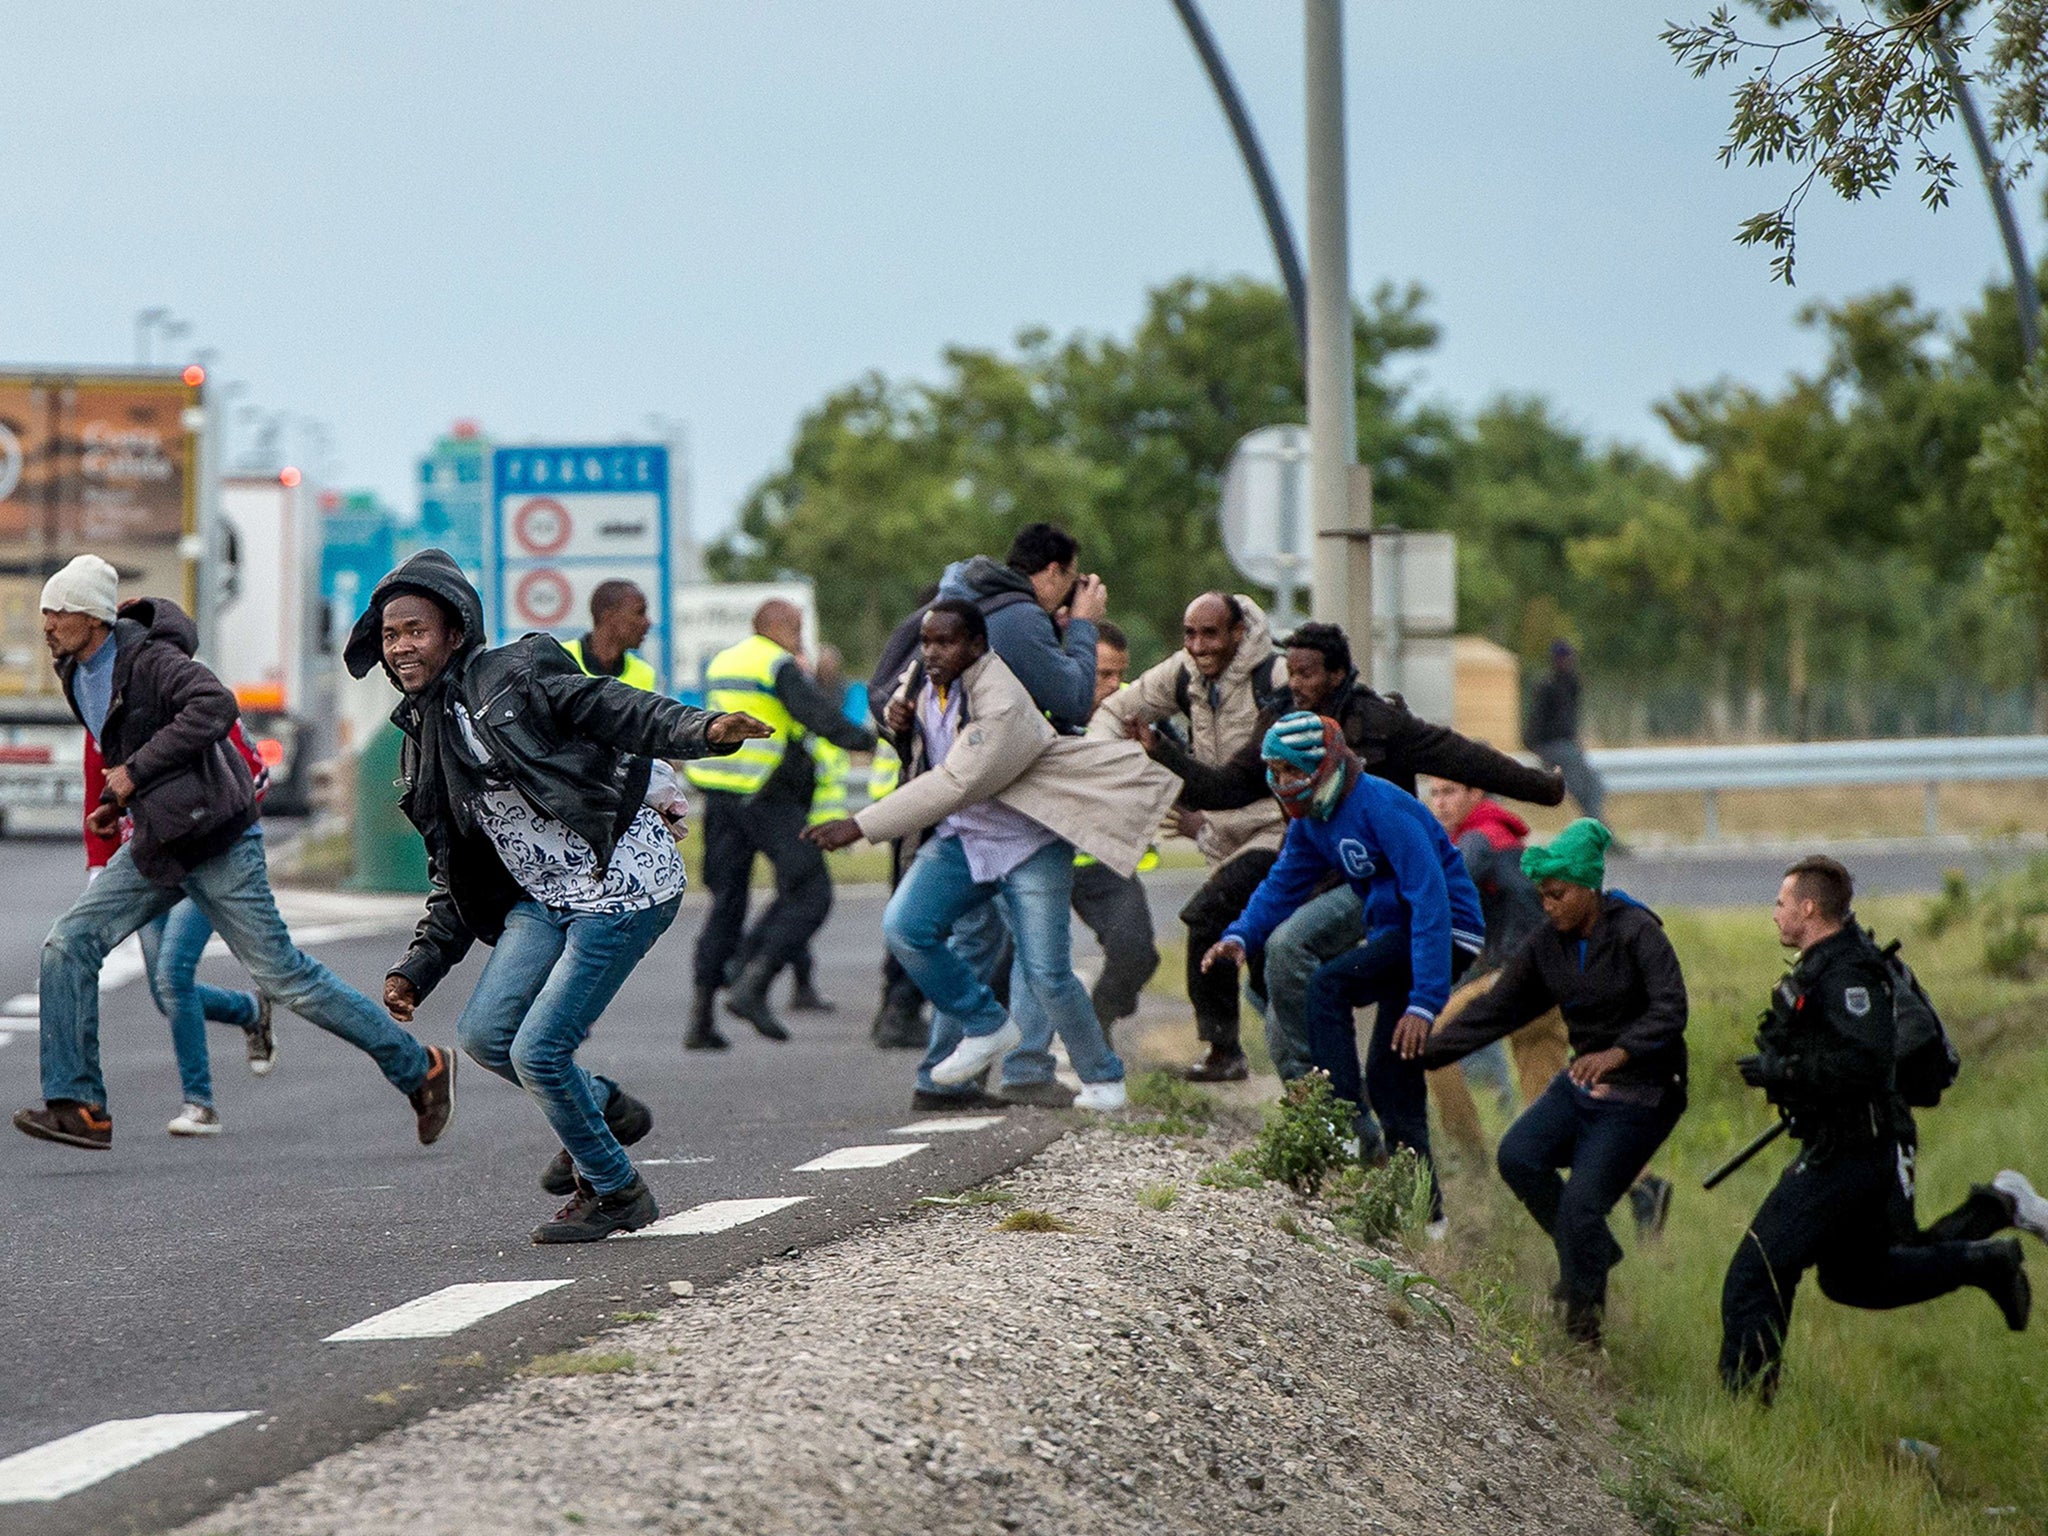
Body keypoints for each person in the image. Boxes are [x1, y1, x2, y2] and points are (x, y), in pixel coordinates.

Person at [348, 550, 769, 1244]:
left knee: (539, 1052)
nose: (401, 647)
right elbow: (459, 868)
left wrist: (702, 729)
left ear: (455, 630)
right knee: (487, 1037)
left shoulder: (515, 673)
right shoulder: (421, 737)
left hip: (620, 885)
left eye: (416, 630)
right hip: (543, 897)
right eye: (391, 636)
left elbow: (609, 705)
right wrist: (417, 967)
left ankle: (617, 1191)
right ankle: (603, 1106)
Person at [15, 555, 455, 1153]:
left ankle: (420, 1067)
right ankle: (80, 1105)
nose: (47, 623)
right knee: (69, 943)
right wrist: (119, 801)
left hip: (219, 838)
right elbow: (128, 746)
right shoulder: (75, 669)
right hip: (159, 842)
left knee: (285, 977)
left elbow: (215, 707)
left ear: (91, 616)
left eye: (58, 611)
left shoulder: (151, 659)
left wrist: (133, 775)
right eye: (45, 611)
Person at [1137, 618, 1563, 1085]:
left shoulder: (1378, 721)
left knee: (1292, 949)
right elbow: (1230, 786)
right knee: (1255, 967)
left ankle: (1330, 1089)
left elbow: (1462, 757)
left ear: (1337, 675)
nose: (1296, 685)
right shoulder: (1282, 720)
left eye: (1308, 674)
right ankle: (1294, 1075)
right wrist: (1161, 748)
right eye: (1291, 673)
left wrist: (1543, 788)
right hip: (1312, 864)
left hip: (1373, 879)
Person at [805, 601, 1179, 1113]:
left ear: (977, 646)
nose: (932, 652)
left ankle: (1103, 1078)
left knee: (1048, 972)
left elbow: (956, 780)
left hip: (1028, 842)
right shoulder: (923, 679)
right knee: (906, 927)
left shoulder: (1001, 697)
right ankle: (986, 1024)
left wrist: (859, 825)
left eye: (946, 642)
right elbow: (911, 736)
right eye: (927, 642)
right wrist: (899, 722)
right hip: (963, 838)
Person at [1718, 856, 2033, 1399]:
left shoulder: (1848, 974)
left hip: (1852, 1150)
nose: (1774, 915)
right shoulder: (1822, 967)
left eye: (1780, 903)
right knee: (1855, 1278)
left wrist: (1784, 1071)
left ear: (1809, 908)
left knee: (1759, 1267)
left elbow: (1864, 1064)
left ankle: (1743, 1405)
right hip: (1850, 1144)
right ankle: (1983, 1259)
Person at [1204, 713, 1485, 1231]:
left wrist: (1426, 1001)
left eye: (1291, 771)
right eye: (1274, 770)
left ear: (1324, 764)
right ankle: (1429, 1219)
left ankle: (1342, 1121)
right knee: (1391, 1075)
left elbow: (1430, 902)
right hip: (1397, 938)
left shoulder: (1380, 806)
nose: (1282, 782)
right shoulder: (1314, 820)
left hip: (1445, 935)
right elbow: (1282, 883)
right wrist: (1242, 934)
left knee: (1327, 984)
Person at [1420, 819, 1686, 1347]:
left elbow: (1671, 1008)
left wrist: (1619, 1052)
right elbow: (1498, 1009)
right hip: (1585, 1082)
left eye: (1558, 894)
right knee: (1519, 1156)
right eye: (1542, 895)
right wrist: (1423, 1050)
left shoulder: (1638, 932)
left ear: (1589, 887)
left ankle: (1583, 1335)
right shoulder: (1549, 943)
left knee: (1585, 1201)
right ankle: (1590, 1251)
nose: (1548, 904)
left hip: (1646, 1090)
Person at [1090, 592, 1291, 1081]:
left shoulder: (1277, 678)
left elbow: (1238, 782)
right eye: (1190, 633)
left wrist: (1163, 753)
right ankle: (1298, 1065)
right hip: (1222, 836)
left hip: (1278, 831)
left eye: (1211, 634)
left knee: (1206, 918)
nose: (1198, 645)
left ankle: (1225, 1051)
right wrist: (1099, 764)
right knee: (1264, 963)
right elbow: (1115, 712)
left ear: (1238, 633)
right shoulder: (1182, 673)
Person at [684, 599, 876, 1049]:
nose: (800, 636)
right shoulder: (776, 664)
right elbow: (818, 716)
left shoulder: (726, 661)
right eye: (797, 627)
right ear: (781, 626)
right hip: (764, 794)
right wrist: (867, 738)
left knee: (726, 904)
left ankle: (701, 1019)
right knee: (811, 890)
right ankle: (754, 983)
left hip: (720, 795)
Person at [84, 727, 278, 1138]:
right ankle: (249, 1011)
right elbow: (94, 793)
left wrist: (215, 828)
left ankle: (199, 1104)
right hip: (145, 867)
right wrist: (99, 869)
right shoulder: (101, 711)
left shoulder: (189, 700)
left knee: (174, 976)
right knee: (164, 993)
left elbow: (257, 774)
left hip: (205, 859)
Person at [1421, 776, 1566, 1157]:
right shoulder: (1502, 835)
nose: (1440, 803)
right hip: (1553, 979)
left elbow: (1440, 894)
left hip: (1519, 976)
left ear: (1476, 793)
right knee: (1546, 1109)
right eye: (1434, 794)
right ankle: (1640, 1185)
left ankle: (1470, 1160)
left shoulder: (1478, 839)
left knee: (1429, 1041)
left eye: (1450, 792)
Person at [1068, 621, 1160, 1046]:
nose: (1113, 686)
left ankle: (1094, 1026)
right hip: (1040, 861)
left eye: (1119, 674)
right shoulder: (1042, 712)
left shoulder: (1133, 718)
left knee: (1136, 954)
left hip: (1104, 865)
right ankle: (968, 1073)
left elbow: (1178, 769)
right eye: (1102, 674)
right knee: (1002, 966)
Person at [1528, 640, 1605, 820]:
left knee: (1593, 786)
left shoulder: (1570, 684)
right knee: (1587, 787)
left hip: (1564, 745)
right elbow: (1537, 725)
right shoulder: (1548, 686)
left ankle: (1597, 829)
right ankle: (1596, 830)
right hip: (1554, 746)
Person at [564, 580, 658, 692]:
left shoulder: (645, 674)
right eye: (639, 612)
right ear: (609, 617)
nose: (648, 622)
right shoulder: (559, 657)